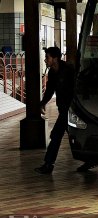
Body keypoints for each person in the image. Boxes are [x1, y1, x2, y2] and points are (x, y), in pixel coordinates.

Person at [34, 46, 75, 174]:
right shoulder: (52, 72)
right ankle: (90, 160)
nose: (45, 60)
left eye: (47, 57)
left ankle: (48, 165)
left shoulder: (69, 70)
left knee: (56, 135)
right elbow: (50, 90)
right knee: (73, 136)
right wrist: (43, 103)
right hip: (63, 110)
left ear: (55, 58)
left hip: (72, 110)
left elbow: (76, 90)